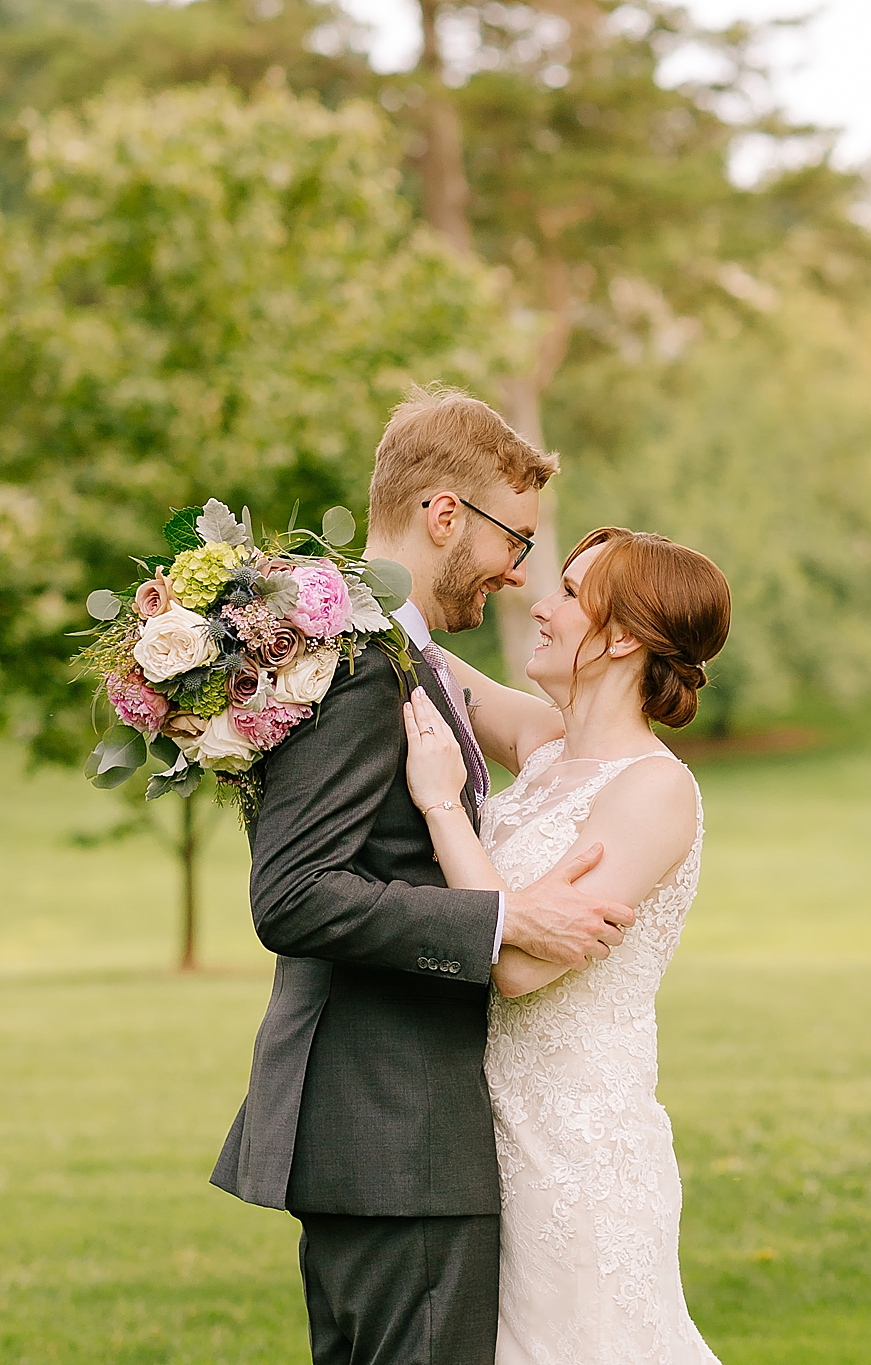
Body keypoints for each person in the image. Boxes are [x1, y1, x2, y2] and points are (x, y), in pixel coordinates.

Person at [211, 386, 636, 1364]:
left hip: (377, 1132)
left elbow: (558, 730)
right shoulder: (359, 664)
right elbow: (295, 893)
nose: (521, 575)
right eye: (516, 541)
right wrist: (503, 921)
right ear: (445, 513)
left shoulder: (397, 652)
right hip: (394, 1131)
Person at [402, 524, 730, 1362]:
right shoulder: (547, 747)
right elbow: (422, 662)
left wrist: (444, 806)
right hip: (494, 1136)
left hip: (579, 1154)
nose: (538, 604)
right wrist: (300, 594)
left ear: (622, 635)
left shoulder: (656, 791)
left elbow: (515, 964)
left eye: (570, 592)